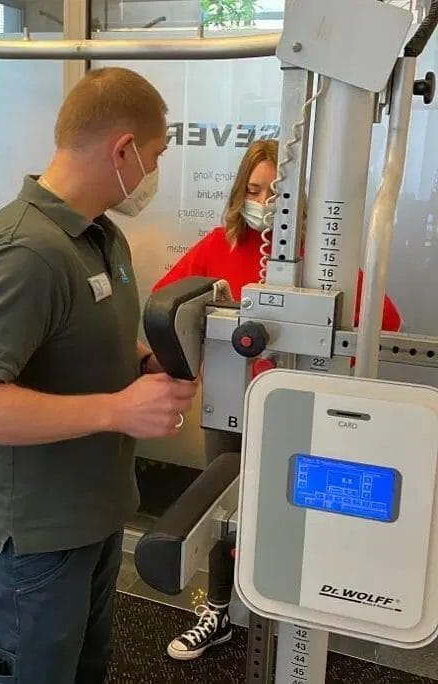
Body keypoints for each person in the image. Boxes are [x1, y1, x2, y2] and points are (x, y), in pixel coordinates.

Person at [0, 67, 198, 684]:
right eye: (156, 155)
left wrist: (145, 361)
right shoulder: (26, 250)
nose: (154, 171)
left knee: (85, 670)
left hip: (93, 514)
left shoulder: (102, 236)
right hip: (33, 540)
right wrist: (119, 409)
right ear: (123, 150)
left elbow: (82, 336)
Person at [153, 139, 402, 661]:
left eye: (277, 193)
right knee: (222, 509)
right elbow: (167, 305)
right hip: (233, 408)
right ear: (239, 193)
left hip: (301, 413)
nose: (264, 202)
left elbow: (386, 322)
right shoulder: (218, 247)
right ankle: (217, 609)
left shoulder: (324, 260)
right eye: (254, 189)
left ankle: (297, 612)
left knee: (294, 509)